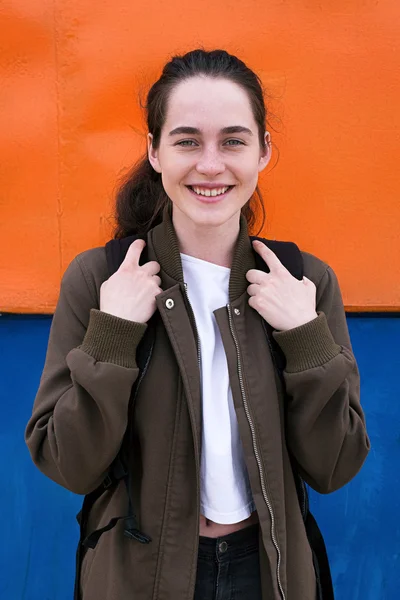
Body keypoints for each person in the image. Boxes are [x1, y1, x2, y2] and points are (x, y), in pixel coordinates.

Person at [25, 48, 370, 600]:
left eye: (233, 141)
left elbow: (336, 466)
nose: (211, 165)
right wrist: (113, 336)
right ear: (155, 152)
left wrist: (306, 340)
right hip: (140, 576)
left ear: (263, 152)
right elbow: (68, 464)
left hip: (268, 573)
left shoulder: (303, 282)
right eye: (187, 140)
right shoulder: (101, 279)